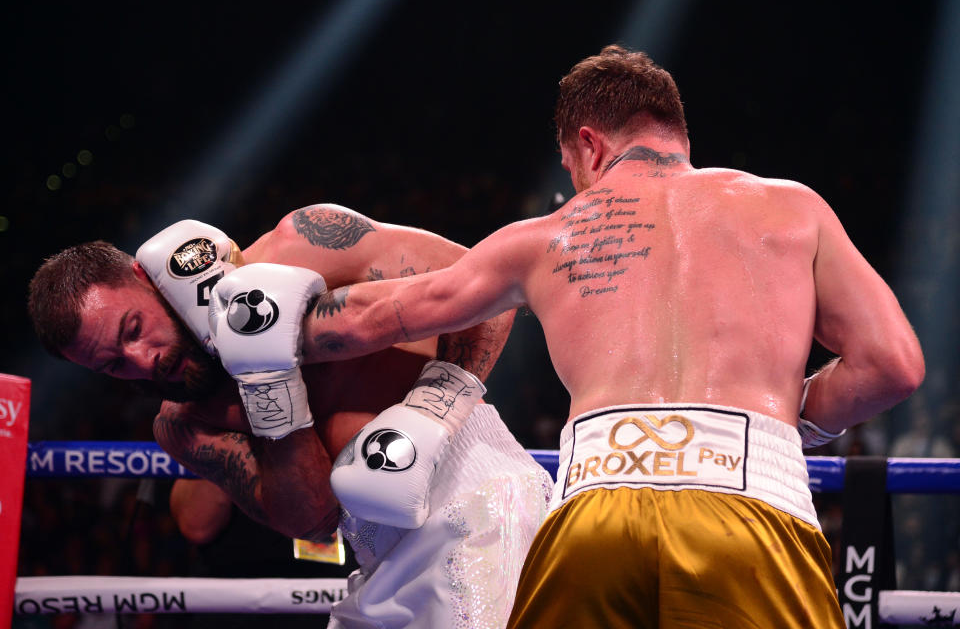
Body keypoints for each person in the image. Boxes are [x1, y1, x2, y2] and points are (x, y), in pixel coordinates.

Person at [278, 46, 925, 627]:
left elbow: (375, 315)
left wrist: (253, 310)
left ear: (587, 144)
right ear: (675, 132)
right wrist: (796, 418)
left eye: (570, 169)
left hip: (593, 520)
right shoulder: (792, 207)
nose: (574, 185)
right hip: (752, 510)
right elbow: (892, 364)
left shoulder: (544, 236)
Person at [27, 205, 553, 629]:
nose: (143, 360)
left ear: (145, 276)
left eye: (132, 329)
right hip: (380, 566)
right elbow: (312, 519)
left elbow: (493, 287)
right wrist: (268, 387)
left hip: (484, 506)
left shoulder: (302, 245)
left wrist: (431, 410)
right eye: (113, 365)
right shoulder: (185, 423)